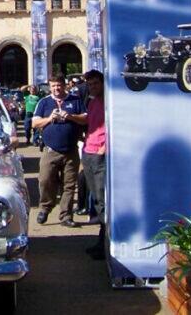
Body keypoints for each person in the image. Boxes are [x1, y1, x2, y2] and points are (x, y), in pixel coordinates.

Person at [32, 73, 87, 228]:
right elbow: (35, 124)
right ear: (50, 87)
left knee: (69, 185)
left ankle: (66, 215)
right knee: (45, 180)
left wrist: (70, 117)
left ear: (64, 85)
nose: (56, 88)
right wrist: (49, 119)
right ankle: (45, 207)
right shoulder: (44, 103)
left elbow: (85, 118)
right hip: (50, 151)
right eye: (53, 86)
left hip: (71, 150)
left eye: (59, 85)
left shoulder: (75, 100)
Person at [81, 70, 107, 260]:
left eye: (96, 83)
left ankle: (104, 243)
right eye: (90, 85)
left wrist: (104, 147)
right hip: (88, 151)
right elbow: (89, 122)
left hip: (99, 153)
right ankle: (101, 241)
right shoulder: (92, 101)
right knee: (96, 200)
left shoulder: (108, 102)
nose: (93, 87)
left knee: (102, 199)